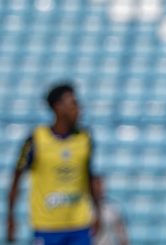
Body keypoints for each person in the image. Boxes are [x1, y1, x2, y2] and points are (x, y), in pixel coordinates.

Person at [6, 83, 101, 244]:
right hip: (47, 225)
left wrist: (98, 211)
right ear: (58, 107)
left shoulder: (84, 138)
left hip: (79, 224)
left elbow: (88, 175)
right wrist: (10, 217)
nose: (78, 109)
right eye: (73, 104)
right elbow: (17, 177)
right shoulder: (36, 139)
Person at [90, 177, 128, 245]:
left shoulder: (112, 208)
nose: (99, 189)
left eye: (101, 186)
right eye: (96, 186)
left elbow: (122, 234)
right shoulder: (84, 209)